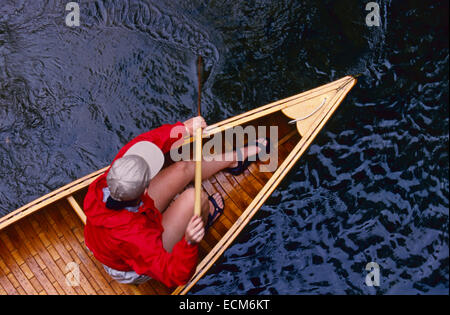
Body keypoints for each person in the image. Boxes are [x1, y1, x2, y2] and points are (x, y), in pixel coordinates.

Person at [83, 117, 267, 287]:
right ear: (146, 191)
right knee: (195, 198)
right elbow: (174, 276)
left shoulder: (110, 180)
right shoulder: (135, 238)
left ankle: (233, 159)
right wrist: (189, 242)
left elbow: (144, 143)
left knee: (182, 168)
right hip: (128, 265)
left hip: (130, 223)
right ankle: (205, 216)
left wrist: (183, 129)